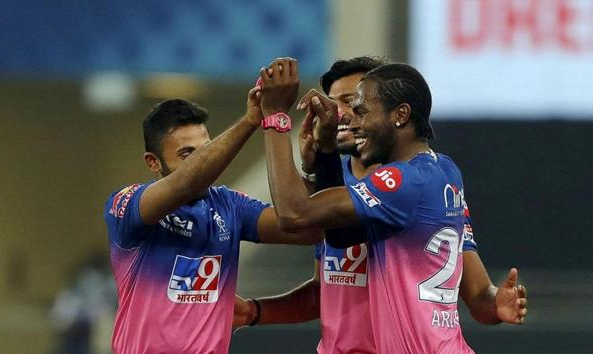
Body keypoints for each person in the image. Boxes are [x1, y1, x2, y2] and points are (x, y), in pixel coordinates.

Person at [236, 56, 529, 353]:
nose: (345, 117)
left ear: (399, 113)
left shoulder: (401, 183)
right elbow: (338, 236)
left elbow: (294, 214)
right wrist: (324, 154)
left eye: (357, 105)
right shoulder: (441, 171)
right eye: (332, 103)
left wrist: (275, 117)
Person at [104, 90, 320, 354]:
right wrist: (251, 120)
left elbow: (306, 226)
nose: (203, 160)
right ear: (153, 162)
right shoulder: (128, 205)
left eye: (205, 150)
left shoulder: (230, 205)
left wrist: (316, 165)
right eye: (187, 154)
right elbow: (187, 182)